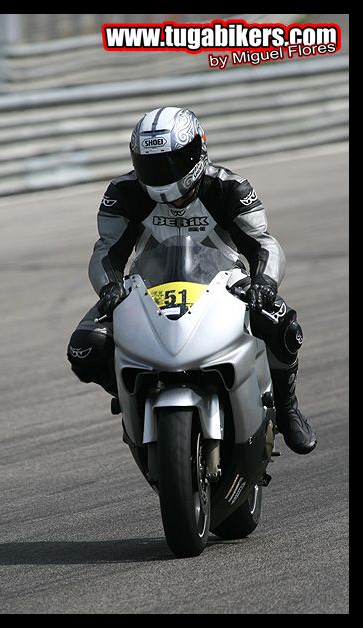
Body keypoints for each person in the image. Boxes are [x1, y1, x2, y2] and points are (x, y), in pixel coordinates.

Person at [67, 107, 317, 455]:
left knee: (282, 326)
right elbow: (107, 251)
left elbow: (262, 243)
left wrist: (264, 284)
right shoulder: (124, 192)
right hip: (148, 286)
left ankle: (288, 409)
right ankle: (131, 398)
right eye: (150, 164)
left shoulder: (229, 188)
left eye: (171, 162)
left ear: (197, 151)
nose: (160, 174)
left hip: (225, 283)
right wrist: (110, 287)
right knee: (84, 348)